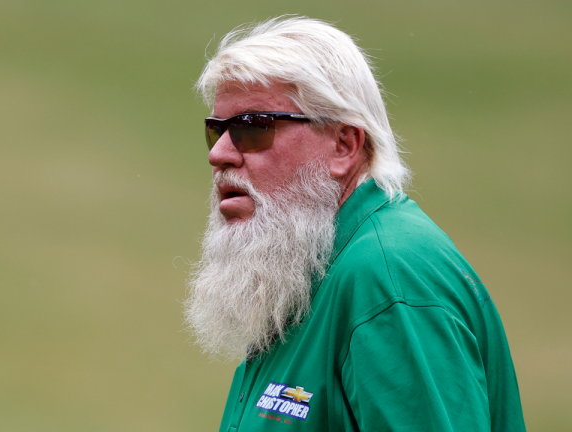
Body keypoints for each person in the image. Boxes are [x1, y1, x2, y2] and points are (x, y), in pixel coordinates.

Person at [184, 16, 525, 432]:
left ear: (344, 145)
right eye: (215, 130)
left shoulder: (389, 279)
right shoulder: (302, 269)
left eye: (251, 129)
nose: (219, 154)